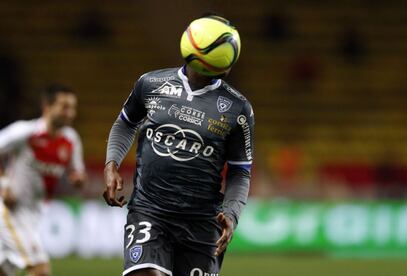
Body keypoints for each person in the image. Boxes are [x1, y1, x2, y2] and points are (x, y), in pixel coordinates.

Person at [103, 14, 254, 276]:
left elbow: (240, 172)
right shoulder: (150, 84)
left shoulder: (237, 109)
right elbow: (125, 123)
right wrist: (111, 163)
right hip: (150, 212)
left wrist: (231, 213)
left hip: (203, 224)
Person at [0, 84, 86, 276]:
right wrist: (3, 185)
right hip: (10, 211)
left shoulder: (71, 139)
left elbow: (77, 171)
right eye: (64, 106)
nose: (70, 113)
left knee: (5, 270)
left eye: (72, 107)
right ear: (47, 107)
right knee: (40, 270)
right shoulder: (25, 132)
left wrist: (78, 179)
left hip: (35, 214)